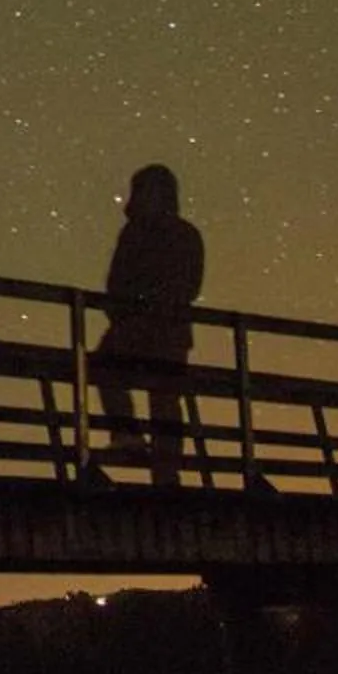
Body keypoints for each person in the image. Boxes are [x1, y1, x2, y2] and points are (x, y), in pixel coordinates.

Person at [90, 162, 203, 487]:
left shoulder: (139, 231)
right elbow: (191, 286)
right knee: (165, 398)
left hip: (141, 328)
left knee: (108, 369)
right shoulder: (187, 234)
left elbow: (118, 281)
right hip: (170, 331)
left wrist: (129, 311)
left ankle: (128, 435)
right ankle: (165, 470)